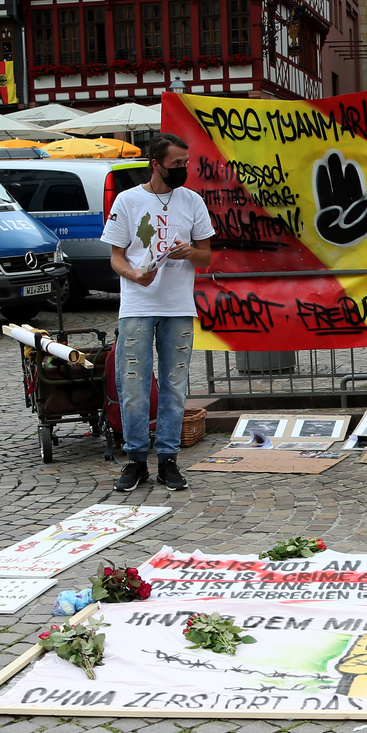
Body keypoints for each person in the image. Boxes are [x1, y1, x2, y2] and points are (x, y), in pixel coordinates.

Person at [104, 133, 215, 493]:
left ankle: (168, 459)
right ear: (156, 163)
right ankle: (136, 459)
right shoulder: (128, 200)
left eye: (186, 162)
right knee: (133, 385)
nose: (183, 169)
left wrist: (189, 254)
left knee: (174, 384)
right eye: (176, 164)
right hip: (137, 304)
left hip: (178, 306)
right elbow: (116, 256)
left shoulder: (192, 201)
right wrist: (135, 274)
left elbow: (206, 255)